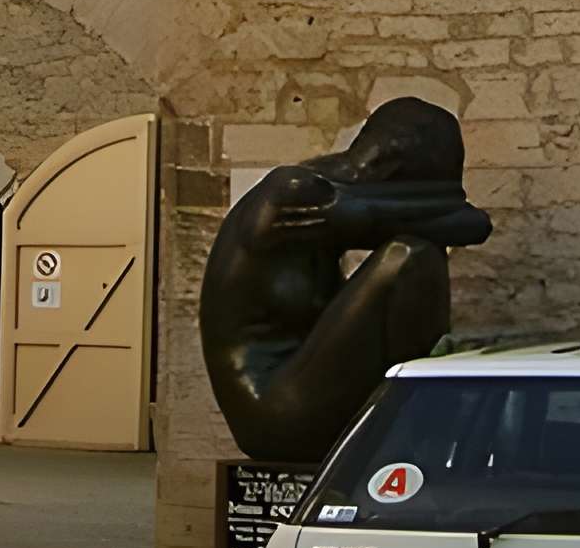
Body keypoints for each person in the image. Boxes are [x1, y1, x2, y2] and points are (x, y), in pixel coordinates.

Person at [200, 96, 493, 462]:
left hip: (301, 385)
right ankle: (411, 417)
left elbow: (468, 223)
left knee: (420, 250)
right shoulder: (294, 192)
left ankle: (406, 413)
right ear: (393, 163)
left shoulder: (337, 186)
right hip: (273, 413)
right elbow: (462, 223)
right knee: (409, 257)